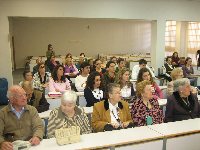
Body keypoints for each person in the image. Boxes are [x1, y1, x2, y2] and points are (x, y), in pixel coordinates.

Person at [0, 85, 44, 150]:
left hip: (30, 145)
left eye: (25, 95)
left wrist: (37, 136)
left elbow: (39, 126)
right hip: (12, 147)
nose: (24, 98)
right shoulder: (3, 113)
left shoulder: (32, 110)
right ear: (11, 99)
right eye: (20, 96)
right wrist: (2, 143)